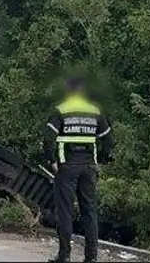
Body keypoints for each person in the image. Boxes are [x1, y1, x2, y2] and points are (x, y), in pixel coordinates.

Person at [44, 76, 114, 263]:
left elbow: (48, 139)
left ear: (68, 91)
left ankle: (64, 256)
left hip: (66, 167)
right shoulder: (95, 112)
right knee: (89, 212)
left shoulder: (61, 111)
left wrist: (52, 161)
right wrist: (102, 161)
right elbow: (108, 140)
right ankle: (91, 257)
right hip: (89, 167)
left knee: (65, 211)